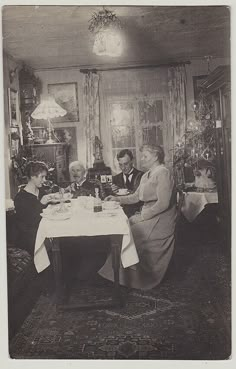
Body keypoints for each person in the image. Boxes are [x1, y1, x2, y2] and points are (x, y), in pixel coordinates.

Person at [99, 144, 177, 290]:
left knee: (131, 233)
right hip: (149, 214)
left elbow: (163, 203)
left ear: (155, 156)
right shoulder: (147, 174)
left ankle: (134, 279)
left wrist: (143, 216)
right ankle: (118, 275)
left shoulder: (163, 173)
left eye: (145, 156)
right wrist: (117, 199)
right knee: (123, 227)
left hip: (161, 219)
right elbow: (136, 197)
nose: (142, 159)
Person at [14, 161, 54, 257]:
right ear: (32, 176)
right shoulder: (20, 198)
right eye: (42, 177)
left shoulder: (41, 191)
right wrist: (41, 204)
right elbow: (30, 221)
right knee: (56, 245)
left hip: (44, 231)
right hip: (30, 237)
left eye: (45, 177)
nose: (44, 180)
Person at [112, 149, 144, 218]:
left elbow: (141, 198)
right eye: (120, 165)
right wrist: (113, 192)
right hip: (119, 215)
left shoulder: (142, 176)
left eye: (126, 164)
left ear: (132, 161)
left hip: (137, 214)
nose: (123, 168)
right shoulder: (115, 179)